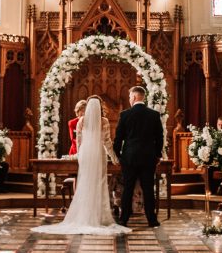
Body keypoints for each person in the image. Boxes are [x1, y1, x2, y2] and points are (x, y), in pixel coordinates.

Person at [32, 96, 129, 235]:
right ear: (101, 107)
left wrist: (80, 156)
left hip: (86, 154)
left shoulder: (82, 121)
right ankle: (99, 216)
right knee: (100, 183)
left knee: (85, 183)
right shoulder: (105, 121)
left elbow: (79, 143)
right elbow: (107, 142)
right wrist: (114, 157)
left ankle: (84, 215)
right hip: (99, 154)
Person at [114, 85, 164, 228]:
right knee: (148, 189)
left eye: (130, 97)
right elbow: (159, 138)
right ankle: (152, 220)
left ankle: (124, 219)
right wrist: (157, 155)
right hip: (148, 157)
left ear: (135, 97)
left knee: (128, 188)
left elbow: (118, 138)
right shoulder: (154, 115)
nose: (129, 99)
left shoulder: (125, 115)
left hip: (129, 157)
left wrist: (118, 155)